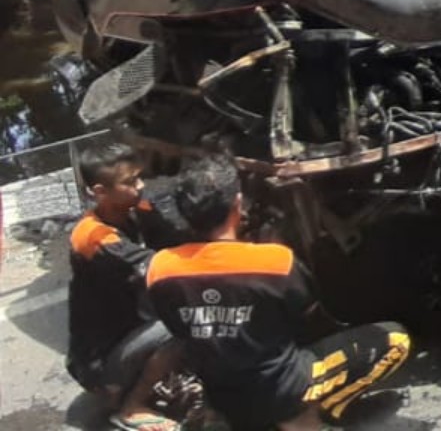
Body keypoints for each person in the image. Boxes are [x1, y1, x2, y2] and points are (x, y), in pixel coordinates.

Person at [145, 156, 411, 430]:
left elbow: (181, 331)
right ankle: (322, 412)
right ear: (238, 203)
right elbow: (311, 318)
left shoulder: (160, 268)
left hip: (223, 398)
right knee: (395, 338)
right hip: (281, 390)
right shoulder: (276, 261)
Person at [67, 141, 186, 431]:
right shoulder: (93, 238)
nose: (141, 185)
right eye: (130, 181)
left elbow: (177, 241)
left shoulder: (135, 208)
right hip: (99, 361)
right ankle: (131, 406)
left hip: (132, 333)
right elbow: (159, 265)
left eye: (139, 176)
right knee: (185, 322)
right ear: (99, 192)